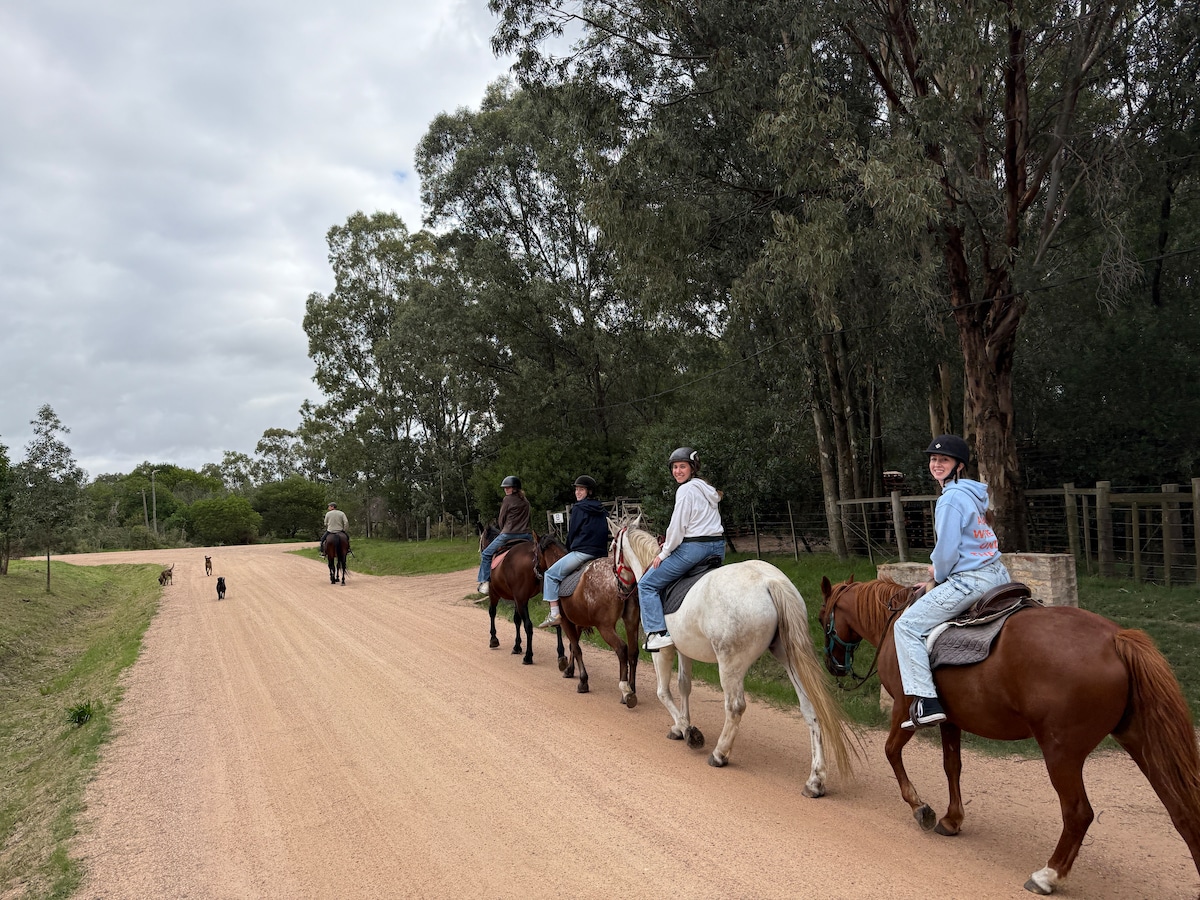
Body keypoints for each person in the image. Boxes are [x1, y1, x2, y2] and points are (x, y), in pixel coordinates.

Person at [894, 434, 1010, 730]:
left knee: (905, 625)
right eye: (933, 459)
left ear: (959, 465)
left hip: (970, 581)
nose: (936, 464)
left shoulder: (950, 500)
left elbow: (946, 551)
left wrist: (937, 576)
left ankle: (926, 701)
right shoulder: (973, 494)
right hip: (998, 575)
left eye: (943, 459)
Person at [638, 447, 725, 652]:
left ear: (692, 468)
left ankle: (657, 633)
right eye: (675, 467)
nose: (678, 471)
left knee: (646, 585)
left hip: (694, 550)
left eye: (682, 467)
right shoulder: (707, 489)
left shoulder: (685, 490)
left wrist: (664, 553)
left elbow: (677, 527)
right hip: (718, 548)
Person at [538, 475, 610, 629]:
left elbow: (573, 532)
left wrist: (568, 547)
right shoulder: (602, 509)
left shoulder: (578, 508)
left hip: (582, 552)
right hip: (601, 554)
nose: (577, 492)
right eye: (576, 489)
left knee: (550, 575)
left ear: (589, 492)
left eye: (581, 489)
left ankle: (554, 614)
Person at [477, 475, 532, 595]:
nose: (506, 489)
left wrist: (503, 528)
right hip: (526, 535)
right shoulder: (526, 501)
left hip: (509, 534)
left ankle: (485, 582)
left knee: (486, 554)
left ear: (515, 488)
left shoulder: (507, 500)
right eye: (505, 488)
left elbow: (501, 518)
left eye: (508, 487)